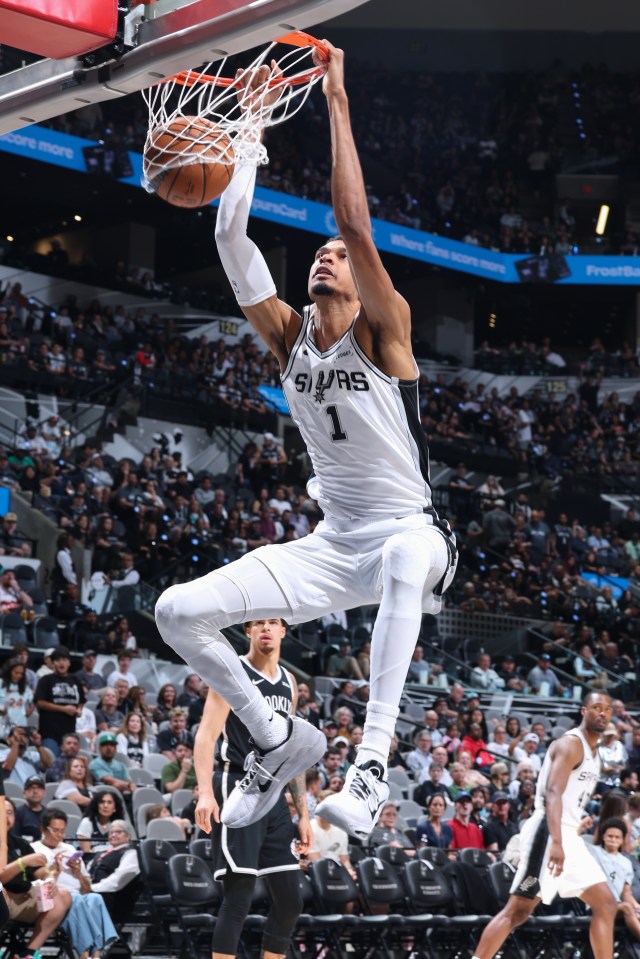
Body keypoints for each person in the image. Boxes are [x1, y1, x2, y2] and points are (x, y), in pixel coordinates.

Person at [154, 40, 457, 841]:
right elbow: (230, 241)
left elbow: (353, 221)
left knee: (398, 557)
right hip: (332, 545)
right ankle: (278, 734)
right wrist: (249, 128)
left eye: (337, 258)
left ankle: (371, 766)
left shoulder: (385, 333)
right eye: (317, 254)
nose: (325, 257)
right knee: (176, 610)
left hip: (415, 536)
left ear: (362, 283)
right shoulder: (288, 338)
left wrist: (336, 99)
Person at [193, 617, 311, 959]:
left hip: (274, 795)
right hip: (237, 786)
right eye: (258, 623)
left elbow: (291, 749)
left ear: (284, 630)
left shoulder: (290, 681)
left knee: (290, 900)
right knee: (239, 898)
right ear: (247, 631)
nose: (266, 628)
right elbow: (205, 735)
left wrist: (302, 813)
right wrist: (204, 791)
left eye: (273, 622)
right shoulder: (232, 673)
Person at [470, 692, 617, 959]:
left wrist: (574, 827)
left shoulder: (596, 754)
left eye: (607, 709)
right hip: (548, 833)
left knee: (606, 903)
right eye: (597, 707)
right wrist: (558, 841)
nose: (603, 713)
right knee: (517, 911)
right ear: (584, 711)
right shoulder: (571, 744)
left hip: (569, 834)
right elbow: (552, 793)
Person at [31, 808, 119, 959]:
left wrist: (78, 873)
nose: (59, 835)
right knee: (75, 899)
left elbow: (87, 888)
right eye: (55, 830)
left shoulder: (69, 849)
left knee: (95, 898)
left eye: (63, 831)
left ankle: (96, 955)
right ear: (43, 829)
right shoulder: (34, 849)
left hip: (77, 895)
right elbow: (36, 885)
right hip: (55, 899)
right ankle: (84, 955)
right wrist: (56, 871)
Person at [0, 798, 72, 957]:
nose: (6, 817)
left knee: (63, 896)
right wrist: (22, 862)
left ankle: (29, 952)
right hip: (3, 898)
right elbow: (2, 877)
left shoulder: (20, 843)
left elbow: (38, 869)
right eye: (2, 812)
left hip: (23, 899)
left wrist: (49, 876)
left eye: (10, 812)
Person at [588, 817, 640, 941]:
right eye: (610, 836)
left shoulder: (626, 862)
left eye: (617, 837)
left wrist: (637, 907)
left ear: (622, 840)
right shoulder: (594, 852)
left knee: (630, 907)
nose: (613, 840)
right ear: (603, 837)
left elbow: (626, 893)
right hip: (595, 906)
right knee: (627, 907)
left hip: (617, 907)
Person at [34, 646, 85, 755]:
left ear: (69, 663)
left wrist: (79, 709)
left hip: (69, 733)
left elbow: (81, 700)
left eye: (64, 660)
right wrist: (63, 709)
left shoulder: (75, 679)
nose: (61, 663)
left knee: (67, 766)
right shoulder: (46, 680)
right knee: (51, 764)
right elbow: (40, 703)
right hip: (49, 732)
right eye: (58, 660)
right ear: (52, 663)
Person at [77, 789, 127, 853]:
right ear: (96, 806)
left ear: (115, 808)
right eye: (102, 802)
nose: (105, 806)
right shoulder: (87, 822)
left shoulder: (119, 825)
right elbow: (86, 851)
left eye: (109, 802)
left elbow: (122, 848)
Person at [0, 657, 35, 728]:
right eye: (16, 673)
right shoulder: (1, 683)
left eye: (21, 673)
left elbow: (32, 703)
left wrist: (31, 709)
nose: (19, 676)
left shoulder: (25, 687)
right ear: (9, 671)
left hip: (20, 725)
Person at [12, 774, 47, 842]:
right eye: (31, 788)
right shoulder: (18, 813)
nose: (35, 791)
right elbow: (15, 839)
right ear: (24, 793)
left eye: (39, 788)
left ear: (44, 792)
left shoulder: (49, 814)